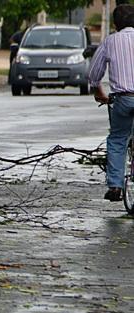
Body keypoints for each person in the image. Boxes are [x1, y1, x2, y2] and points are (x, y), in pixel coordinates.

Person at [89, 4, 134, 201]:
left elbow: (94, 73)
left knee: (117, 140)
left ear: (115, 24)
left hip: (123, 99)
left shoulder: (111, 41)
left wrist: (98, 91)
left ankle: (115, 186)